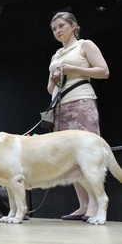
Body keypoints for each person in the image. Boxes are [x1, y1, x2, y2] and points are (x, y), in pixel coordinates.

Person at [47, 12, 109, 222]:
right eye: (54, 28)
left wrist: (73, 68)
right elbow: (49, 89)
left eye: (62, 26)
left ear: (74, 26)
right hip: (60, 107)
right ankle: (82, 205)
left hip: (81, 101)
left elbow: (104, 71)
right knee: (69, 158)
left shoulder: (84, 45)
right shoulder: (56, 55)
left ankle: (94, 205)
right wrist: (54, 79)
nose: (58, 31)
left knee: (86, 155)